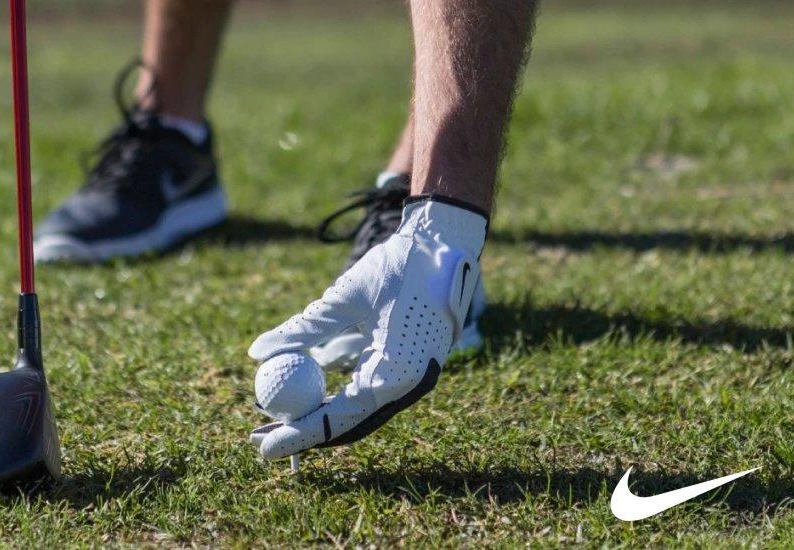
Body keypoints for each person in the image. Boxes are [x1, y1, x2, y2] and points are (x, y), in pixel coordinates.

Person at [34, 0, 539, 461]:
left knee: (429, 208)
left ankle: (414, 194)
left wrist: (441, 228)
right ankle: (172, 135)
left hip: (437, 215)